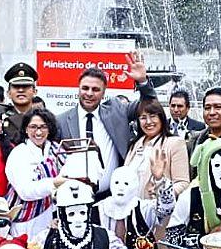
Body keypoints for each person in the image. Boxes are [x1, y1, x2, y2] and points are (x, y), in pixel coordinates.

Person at [57, 52, 157, 195]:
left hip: (113, 196)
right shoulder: (61, 121)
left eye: (96, 89)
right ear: (78, 89)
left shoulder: (117, 112)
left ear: (104, 93)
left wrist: (142, 82)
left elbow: (150, 104)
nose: (89, 93)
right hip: (74, 196)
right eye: (85, 88)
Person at [97, 162, 175, 249]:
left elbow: (166, 209)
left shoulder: (144, 208)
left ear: (135, 186)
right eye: (116, 183)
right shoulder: (98, 210)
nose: (120, 188)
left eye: (126, 184)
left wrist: (160, 180)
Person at [5, 108, 64, 237]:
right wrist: (53, 183)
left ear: (50, 129)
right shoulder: (19, 153)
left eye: (43, 127)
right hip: (25, 221)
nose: (38, 132)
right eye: (33, 127)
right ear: (26, 129)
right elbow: (25, 191)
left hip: (52, 218)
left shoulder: (57, 149)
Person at [125, 98, 190, 197]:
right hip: (131, 205)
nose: (148, 122)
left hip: (156, 204)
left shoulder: (175, 144)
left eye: (153, 116)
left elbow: (183, 183)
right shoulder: (134, 144)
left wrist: (162, 193)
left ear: (161, 118)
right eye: (143, 118)